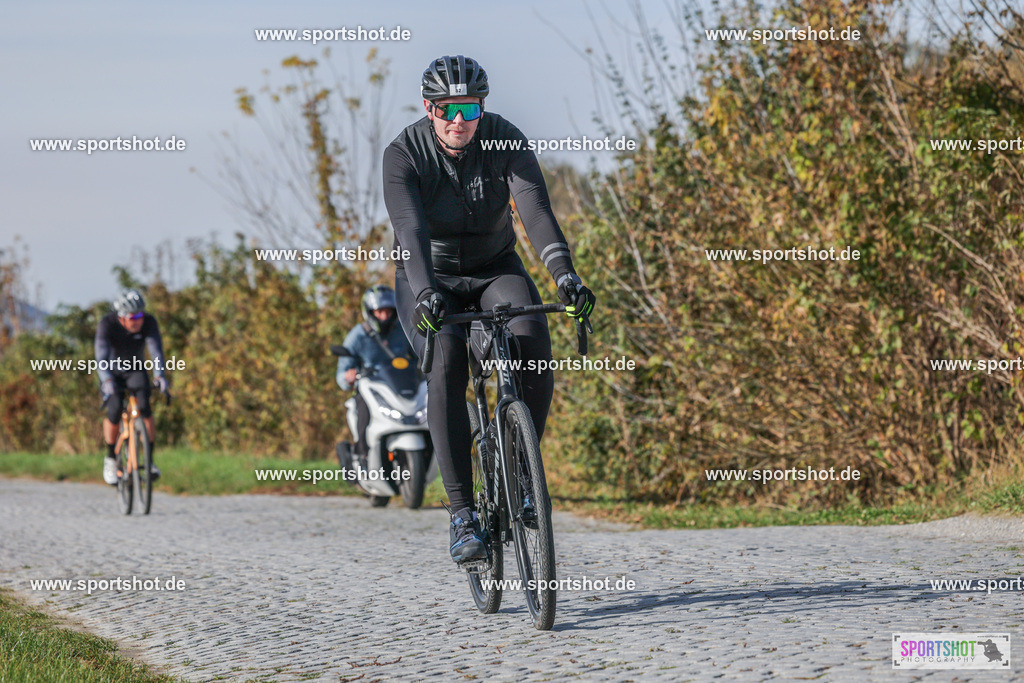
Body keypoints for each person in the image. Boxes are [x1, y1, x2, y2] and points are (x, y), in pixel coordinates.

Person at [383, 55, 597, 563]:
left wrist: (564, 275)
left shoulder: (505, 139)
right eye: (447, 108)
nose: (459, 120)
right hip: (427, 277)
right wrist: (426, 290)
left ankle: (524, 472)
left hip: (494, 266)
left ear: (482, 108)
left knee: (530, 340)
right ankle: (461, 514)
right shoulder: (403, 154)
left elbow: (536, 211)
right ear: (430, 109)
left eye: (470, 108)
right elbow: (409, 234)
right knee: (448, 362)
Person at [335, 285, 415, 469]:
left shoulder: (403, 331)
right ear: (370, 312)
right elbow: (341, 373)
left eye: (388, 311)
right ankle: (363, 455)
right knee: (362, 409)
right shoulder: (357, 336)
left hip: (400, 386)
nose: (384, 316)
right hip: (370, 388)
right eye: (380, 312)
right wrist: (348, 377)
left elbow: (419, 355)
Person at [96, 289, 169, 485]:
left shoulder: (149, 322)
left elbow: (155, 351)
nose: (138, 320)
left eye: (140, 315)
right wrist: (107, 381)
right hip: (111, 373)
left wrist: (160, 375)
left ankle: (150, 461)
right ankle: (111, 458)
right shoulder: (107, 324)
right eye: (132, 316)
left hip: (136, 370)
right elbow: (101, 357)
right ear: (121, 317)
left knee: (145, 409)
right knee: (114, 409)